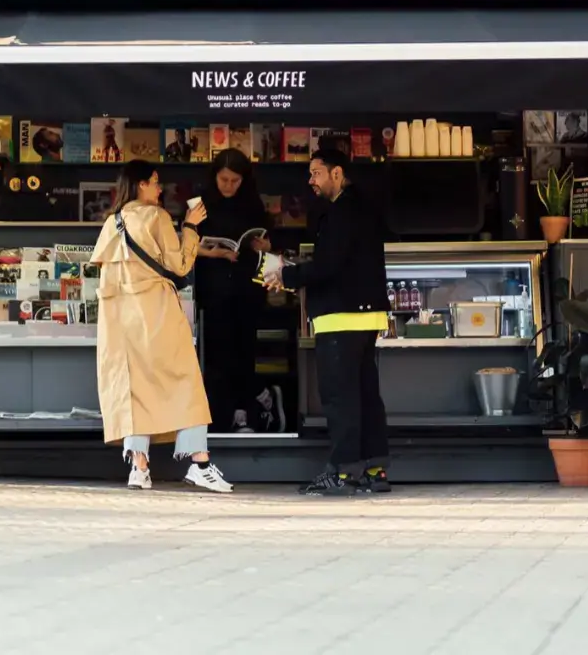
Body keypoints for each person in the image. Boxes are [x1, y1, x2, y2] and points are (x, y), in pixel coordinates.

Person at [89, 159, 233, 493]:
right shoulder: (157, 216)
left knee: (134, 386)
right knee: (184, 379)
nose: (159, 188)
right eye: (154, 182)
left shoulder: (113, 223)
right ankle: (200, 462)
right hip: (156, 309)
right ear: (141, 184)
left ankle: (139, 467)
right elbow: (180, 263)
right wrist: (192, 226)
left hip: (119, 317)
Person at [266, 148, 390, 496]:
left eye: (316, 173)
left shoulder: (339, 214)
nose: (311, 181)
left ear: (337, 174)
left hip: (340, 317)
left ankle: (344, 473)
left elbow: (328, 265)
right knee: (367, 394)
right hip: (368, 316)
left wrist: (286, 275)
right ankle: (375, 470)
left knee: (341, 397)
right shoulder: (365, 208)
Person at [195, 148, 272, 433]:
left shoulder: (253, 204)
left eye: (234, 181)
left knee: (244, 354)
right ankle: (218, 418)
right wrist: (211, 253)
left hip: (246, 289)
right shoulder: (201, 204)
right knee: (217, 356)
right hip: (214, 290)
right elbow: (186, 246)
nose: (228, 186)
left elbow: (265, 238)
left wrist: (265, 246)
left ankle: (245, 415)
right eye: (224, 179)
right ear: (214, 176)